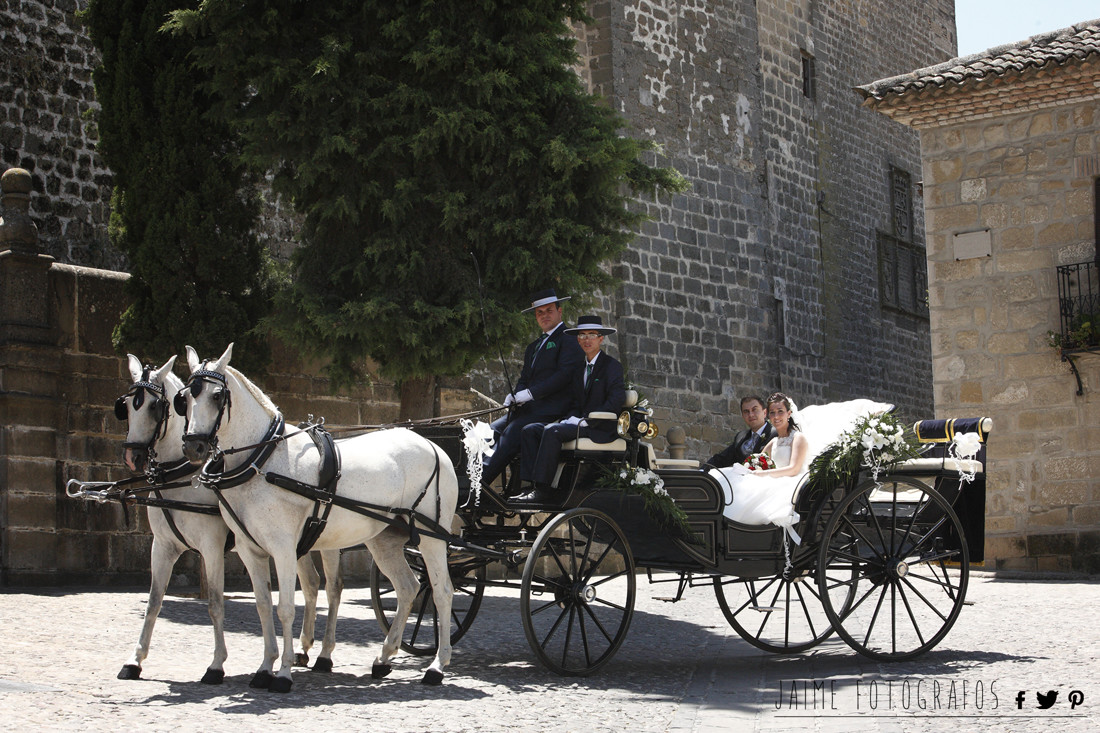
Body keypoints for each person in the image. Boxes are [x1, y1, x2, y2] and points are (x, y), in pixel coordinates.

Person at [481, 288, 585, 490]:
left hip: (554, 409)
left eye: (549, 311)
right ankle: (473, 479)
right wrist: (516, 394)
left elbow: (563, 376)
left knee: (512, 433)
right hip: (529, 410)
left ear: (559, 311)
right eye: (539, 312)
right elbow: (525, 378)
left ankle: (478, 487)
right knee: (489, 431)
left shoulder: (569, 339)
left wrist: (530, 394)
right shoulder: (533, 347)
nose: (544, 315)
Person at [515, 315, 626, 503]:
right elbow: (574, 402)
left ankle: (543, 489)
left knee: (553, 431)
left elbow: (616, 401)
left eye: (592, 335)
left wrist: (588, 420)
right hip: (579, 423)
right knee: (530, 430)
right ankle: (528, 486)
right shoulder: (578, 368)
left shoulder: (611, 366)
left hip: (598, 427)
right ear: (577, 339)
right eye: (582, 335)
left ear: (601, 338)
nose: (586, 340)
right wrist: (571, 418)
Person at [708, 392, 808, 528]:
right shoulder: (774, 441)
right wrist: (749, 469)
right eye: (773, 413)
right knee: (729, 478)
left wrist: (763, 474)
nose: (776, 416)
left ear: (789, 413)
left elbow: (794, 469)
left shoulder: (798, 438)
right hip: (772, 478)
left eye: (780, 412)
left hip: (789, 482)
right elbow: (757, 460)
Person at [706, 395, 777, 468]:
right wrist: (701, 471)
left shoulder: (775, 434)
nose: (751, 415)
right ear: (743, 416)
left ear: (764, 412)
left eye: (754, 410)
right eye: (746, 411)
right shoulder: (740, 437)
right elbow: (721, 459)